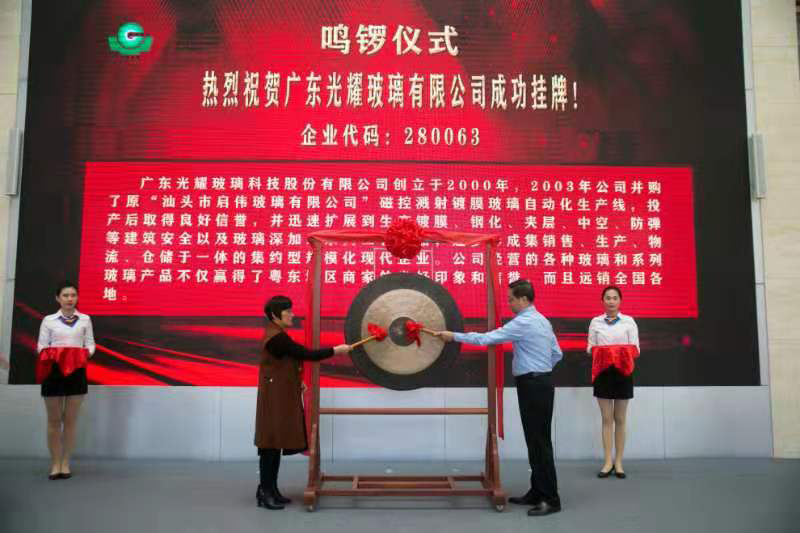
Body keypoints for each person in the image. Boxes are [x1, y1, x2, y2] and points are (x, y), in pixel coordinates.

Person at [435, 279, 563, 516]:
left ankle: (551, 499)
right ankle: (537, 491)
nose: (509, 303)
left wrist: (454, 336)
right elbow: (557, 353)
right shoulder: (542, 320)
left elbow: (487, 339)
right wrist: (541, 370)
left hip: (533, 385)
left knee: (539, 442)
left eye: (511, 299)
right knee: (536, 440)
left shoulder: (524, 321)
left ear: (523, 299)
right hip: (541, 383)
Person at [255, 295, 351, 510]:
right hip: (274, 398)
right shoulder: (276, 338)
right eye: (288, 311)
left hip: (280, 394)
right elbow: (306, 354)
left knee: (274, 444)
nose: (292, 314)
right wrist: (336, 350)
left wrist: (297, 381)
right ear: (275, 316)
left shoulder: (278, 334)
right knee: (270, 444)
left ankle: (271, 489)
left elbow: (285, 362)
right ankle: (265, 491)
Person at [37, 282, 95, 480]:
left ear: (77, 298)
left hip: (76, 371)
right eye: (65, 295)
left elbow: (90, 344)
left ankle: (65, 462)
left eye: (73, 295)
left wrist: (81, 355)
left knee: (70, 421)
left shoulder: (85, 319)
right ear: (58, 298)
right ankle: (55, 463)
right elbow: (41, 346)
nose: (70, 299)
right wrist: (57, 355)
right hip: (53, 371)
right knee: (54, 421)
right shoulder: (48, 320)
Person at [587, 286, 640, 479]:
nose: (611, 301)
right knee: (606, 419)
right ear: (602, 301)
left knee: (620, 419)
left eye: (614, 298)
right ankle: (607, 461)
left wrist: (619, 352)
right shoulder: (595, 322)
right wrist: (602, 352)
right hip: (603, 373)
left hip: (623, 372)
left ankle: (619, 462)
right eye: (608, 298)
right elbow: (590, 347)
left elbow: (636, 349)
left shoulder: (629, 322)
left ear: (620, 301)